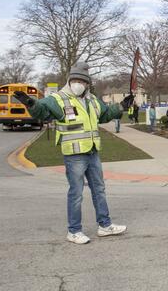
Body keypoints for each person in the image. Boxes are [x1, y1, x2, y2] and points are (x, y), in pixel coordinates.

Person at [13, 62, 132, 244]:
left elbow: (106, 114)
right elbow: (42, 112)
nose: (78, 83)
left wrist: (122, 106)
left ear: (87, 83)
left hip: (92, 151)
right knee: (76, 193)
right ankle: (74, 231)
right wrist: (31, 103)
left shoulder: (92, 100)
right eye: (75, 80)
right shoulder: (58, 99)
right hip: (74, 154)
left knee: (99, 189)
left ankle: (104, 225)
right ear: (69, 80)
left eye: (82, 81)